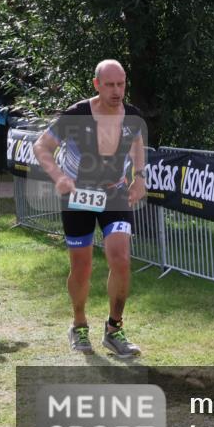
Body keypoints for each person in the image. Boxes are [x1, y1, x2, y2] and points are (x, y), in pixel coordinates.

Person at [33, 59, 147, 357]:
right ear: (97, 84)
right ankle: (79, 323)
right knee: (81, 268)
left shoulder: (132, 115)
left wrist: (140, 178)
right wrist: (58, 177)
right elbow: (41, 147)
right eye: (109, 84)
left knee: (120, 258)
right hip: (78, 196)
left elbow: (136, 142)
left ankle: (114, 329)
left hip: (114, 194)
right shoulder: (77, 114)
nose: (116, 90)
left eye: (120, 84)